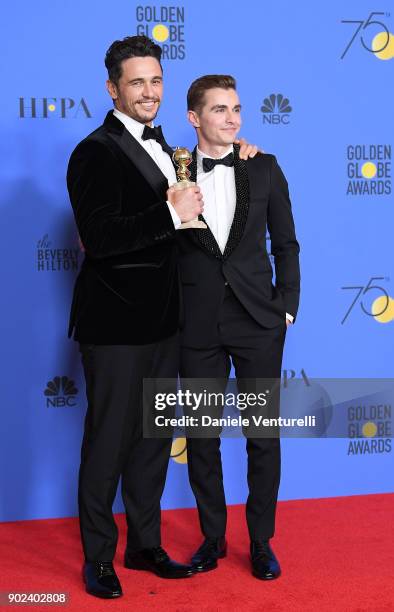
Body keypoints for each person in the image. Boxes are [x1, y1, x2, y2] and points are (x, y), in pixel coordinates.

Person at [67, 37, 257, 598]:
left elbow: (210, 182)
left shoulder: (167, 147)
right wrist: (168, 213)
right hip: (115, 325)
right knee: (109, 443)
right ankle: (99, 558)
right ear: (112, 89)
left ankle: (144, 545)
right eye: (135, 82)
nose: (148, 92)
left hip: (164, 322)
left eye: (155, 81)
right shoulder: (93, 152)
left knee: (153, 441)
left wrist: (238, 150)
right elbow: (100, 239)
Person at [176, 75, 300, 580]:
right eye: (220, 110)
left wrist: (286, 306)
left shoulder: (263, 166)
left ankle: (261, 541)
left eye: (237, 109)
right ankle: (212, 538)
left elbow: (286, 243)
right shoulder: (171, 169)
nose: (233, 119)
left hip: (257, 321)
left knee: (262, 437)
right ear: (194, 118)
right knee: (202, 437)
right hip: (196, 323)